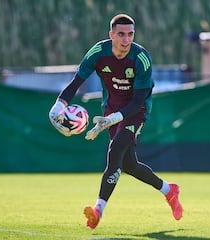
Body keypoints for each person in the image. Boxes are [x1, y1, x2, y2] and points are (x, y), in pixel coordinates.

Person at [49, 13, 183, 229]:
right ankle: (169, 190)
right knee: (129, 164)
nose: (126, 40)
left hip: (136, 111)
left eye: (130, 34)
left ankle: (97, 211)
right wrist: (57, 107)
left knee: (116, 150)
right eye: (121, 34)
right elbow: (77, 82)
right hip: (110, 108)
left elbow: (139, 99)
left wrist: (112, 119)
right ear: (111, 35)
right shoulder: (98, 52)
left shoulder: (141, 58)